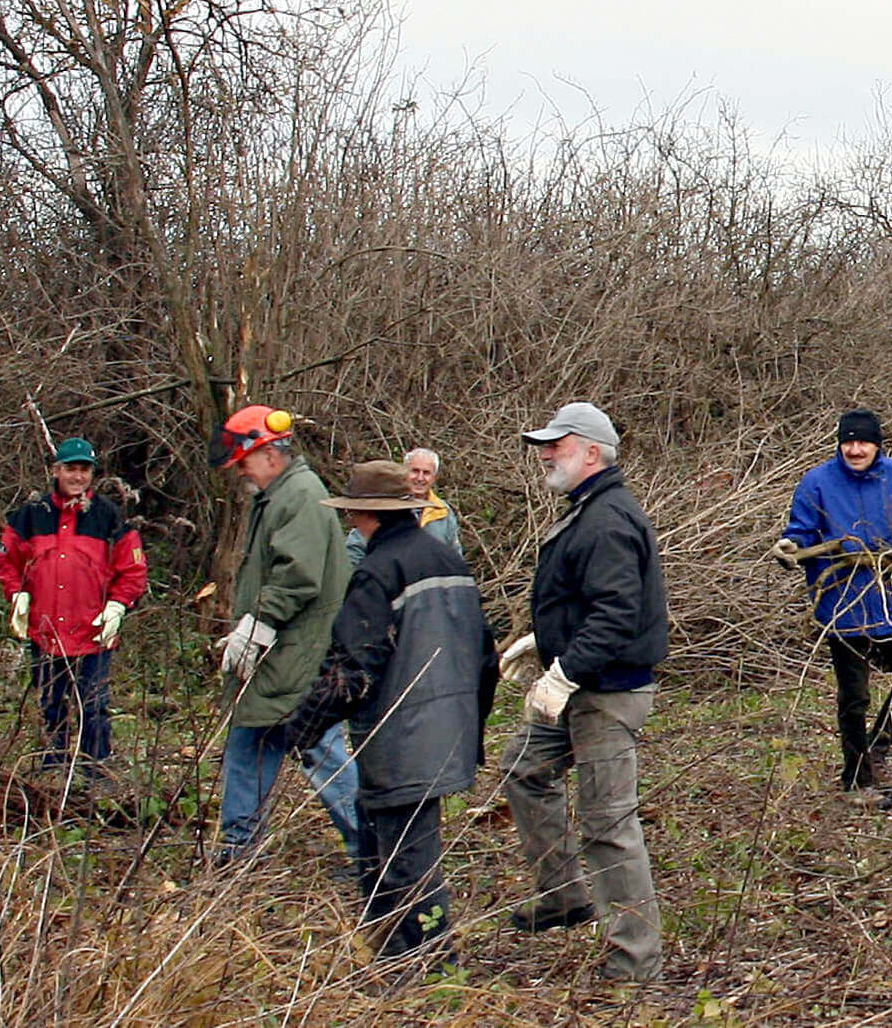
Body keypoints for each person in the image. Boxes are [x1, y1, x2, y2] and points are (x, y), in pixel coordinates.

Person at [281, 461, 496, 974]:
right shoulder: (449, 560)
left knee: (405, 858)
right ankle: (390, 958)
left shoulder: (379, 570)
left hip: (401, 733)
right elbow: (485, 657)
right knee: (384, 846)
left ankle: (433, 967)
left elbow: (353, 670)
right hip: (450, 726)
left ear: (362, 513)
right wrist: (474, 727)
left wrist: (302, 727)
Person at [497, 402, 667, 982]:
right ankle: (565, 896)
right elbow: (586, 601)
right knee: (523, 767)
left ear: (592, 452)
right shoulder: (590, 509)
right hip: (580, 685)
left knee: (608, 825)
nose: (545, 454)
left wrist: (565, 671)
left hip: (603, 694)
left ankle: (635, 964)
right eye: (544, 445)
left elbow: (617, 613)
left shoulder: (608, 519)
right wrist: (541, 642)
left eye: (557, 444)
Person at [207, 404, 363, 870]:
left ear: (271, 453)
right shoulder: (277, 495)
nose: (242, 471)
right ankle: (237, 854)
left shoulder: (300, 495)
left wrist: (259, 625)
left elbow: (299, 577)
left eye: (246, 461)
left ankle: (374, 852)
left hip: (298, 658)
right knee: (249, 743)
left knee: (322, 753)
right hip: (278, 657)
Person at [774, 408, 892, 809]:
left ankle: (879, 749)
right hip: (842, 603)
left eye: (862, 442)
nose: (854, 449)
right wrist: (789, 547)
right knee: (854, 696)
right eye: (848, 442)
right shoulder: (817, 483)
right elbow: (800, 531)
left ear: (877, 444)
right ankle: (856, 780)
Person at [0, 437, 147, 787]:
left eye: (84, 470)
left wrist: (117, 606)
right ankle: (52, 772)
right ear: (56, 471)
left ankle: (98, 773)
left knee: (94, 705)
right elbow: (7, 560)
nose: (77, 476)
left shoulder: (108, 516)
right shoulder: (32, 514)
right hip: (45, 631)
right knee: (51, 703)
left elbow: (133, 569)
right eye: (71, 469)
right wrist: (16, 595)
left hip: (93, 633)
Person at [343, 446, 464, 566]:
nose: (420, 478)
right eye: (415, 471)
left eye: (426, 473)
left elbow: (454, 556)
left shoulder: (442, 511)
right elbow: (355, 551)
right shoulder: (387, 506)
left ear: (434, 478)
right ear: (404, 472)